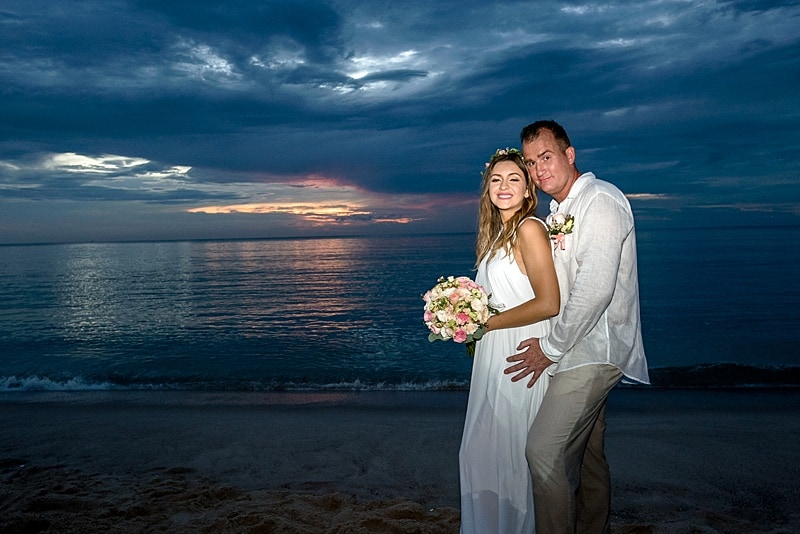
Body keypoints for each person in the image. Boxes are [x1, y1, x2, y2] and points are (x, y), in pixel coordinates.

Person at [505, 120, 650, 534]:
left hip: (593, 350)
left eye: (546, 157)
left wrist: (549, 348)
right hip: (574, 345)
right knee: (588, 457)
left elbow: (595, 289)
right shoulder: (558, 212)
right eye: (531, 163)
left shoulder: (600, 200)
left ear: (570, 155)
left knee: (542, 452)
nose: (538, 170)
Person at [459, 148, 561, 534]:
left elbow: (549, 302)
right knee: (481, 453)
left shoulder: (529, 229)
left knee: (509, 457)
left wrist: (487, 323)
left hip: (517, 352)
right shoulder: (496, 235)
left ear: (528, 191)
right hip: (492, 352)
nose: (504, 186)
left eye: (514, 179)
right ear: (487, 188)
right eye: (497, 180)